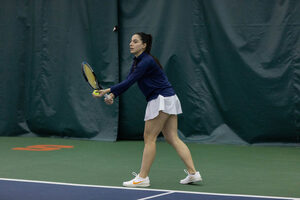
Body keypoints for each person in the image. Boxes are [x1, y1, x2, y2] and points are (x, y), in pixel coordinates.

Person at [93, 32, 202, 187]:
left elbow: (130, 81)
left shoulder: (146, 62)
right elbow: (127, 81)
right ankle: (193, 173)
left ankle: (143, 177)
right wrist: (113, 95)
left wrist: (107, 90)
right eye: (130, 41)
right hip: (169, 98)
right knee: (172, 138)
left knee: (149, 138)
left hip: (160, 100)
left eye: (135, 41)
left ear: (144, 45)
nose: (131, 43)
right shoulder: (137, 61)